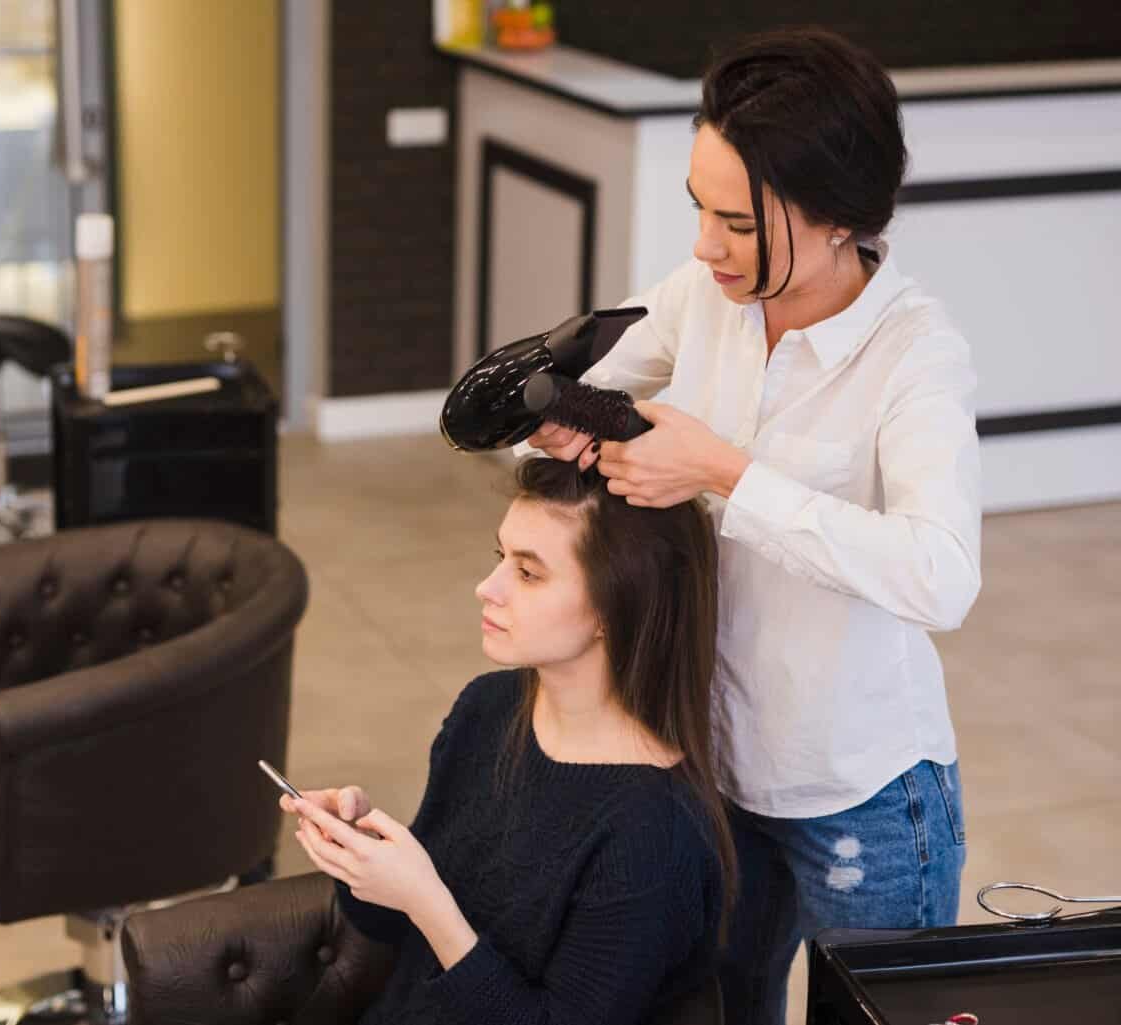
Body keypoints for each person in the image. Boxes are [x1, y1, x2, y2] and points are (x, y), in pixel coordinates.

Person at [527, 27, 980, 1025]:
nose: (702, 247)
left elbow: (942, 575)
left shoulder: (916, 357)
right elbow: (572, 396)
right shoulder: (708, 299)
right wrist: (563, 417)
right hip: (718, 762)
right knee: (721, 1007)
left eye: (736, 222)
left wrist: (728, 472)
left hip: (862, 795)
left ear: (836, 220)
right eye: (700, 210)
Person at [284, 456, 732, 1024]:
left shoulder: (652, 837)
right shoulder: (487, 709)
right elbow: (394, 928)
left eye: (528, 573)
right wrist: (363, 855)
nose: (486, 588)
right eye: (502, 558)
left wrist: (428, 901)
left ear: (613, 609)